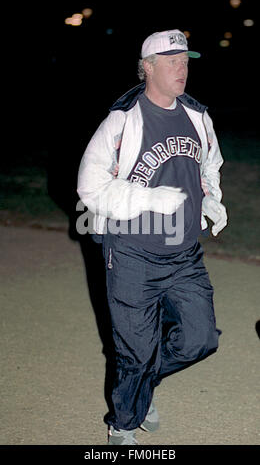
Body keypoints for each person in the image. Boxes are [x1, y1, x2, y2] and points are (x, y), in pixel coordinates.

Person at [77, 29, 227, 445]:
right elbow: (90, 187)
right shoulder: (122, 121)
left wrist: (211, 199)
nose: (182, 69)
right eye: (172, 61)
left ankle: (142, 384)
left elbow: (209, 163)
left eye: (186, 61)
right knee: (135, 352)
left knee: (201, 339)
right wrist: (145, 199)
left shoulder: (197, 115)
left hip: (185, 255)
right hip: (132, 254)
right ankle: (123, 424)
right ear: (147, 68)